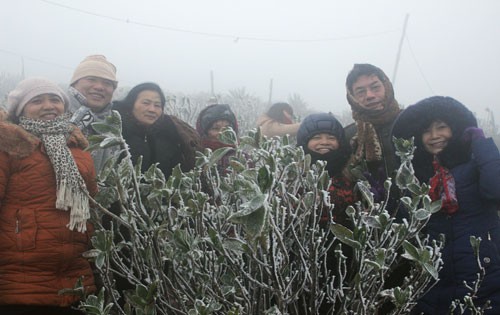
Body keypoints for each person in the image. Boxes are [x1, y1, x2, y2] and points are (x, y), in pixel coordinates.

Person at [392, 96, 500, 314]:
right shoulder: (414, 176)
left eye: (442, 127)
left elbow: (495, 189)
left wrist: (481, 144)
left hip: (483, 273)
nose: (434, 136)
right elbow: (406, 224)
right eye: (427, 131)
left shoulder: (473, 163)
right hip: (434, 281)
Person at [0, 78, 98, 314]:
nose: (49, 106)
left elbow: (92, 205)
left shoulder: (78, 148)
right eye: (37, 100)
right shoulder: (9, 146)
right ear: (20, 108)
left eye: (55, 99)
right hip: (19, 282)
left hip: (75, 279)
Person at [113, 82, 201, 178]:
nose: (152, 109)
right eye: (146, 103)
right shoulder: (115, 131)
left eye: (157, 105)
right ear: (131, 104)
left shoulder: (170, 133)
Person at [344, 64, 402, 205]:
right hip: (370, 218)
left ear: (386, 87)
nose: (370, 96)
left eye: (375, 87)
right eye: (360, 91)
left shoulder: (411, 122)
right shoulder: (348, 136)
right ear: (352, 97)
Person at [296, 112, 353, 226]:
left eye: (331, 138)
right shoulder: (294, 176)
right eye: (316, 137)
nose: (324, 142)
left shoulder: (350, 172)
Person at [68, 54, 119, 173]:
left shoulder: (114, 125)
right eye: (91, 79)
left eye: (107, 83)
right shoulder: (54, 116)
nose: (99, 87)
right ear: (75, 83)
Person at [196, 103, 238, 172]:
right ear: (204, 132)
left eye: (227, 128)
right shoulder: (196, 157)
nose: (222, 132)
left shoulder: (242, 158)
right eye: (215, 128)